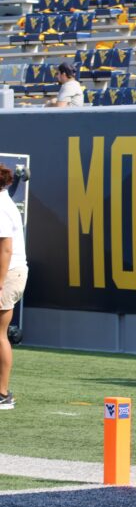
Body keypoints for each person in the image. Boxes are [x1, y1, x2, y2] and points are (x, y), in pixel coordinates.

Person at [0, 165, 26, 410]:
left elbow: (6, 249)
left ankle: (3, 393)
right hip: (9, 273)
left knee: (0, 334)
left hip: (7, 274)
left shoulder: (0, 207)